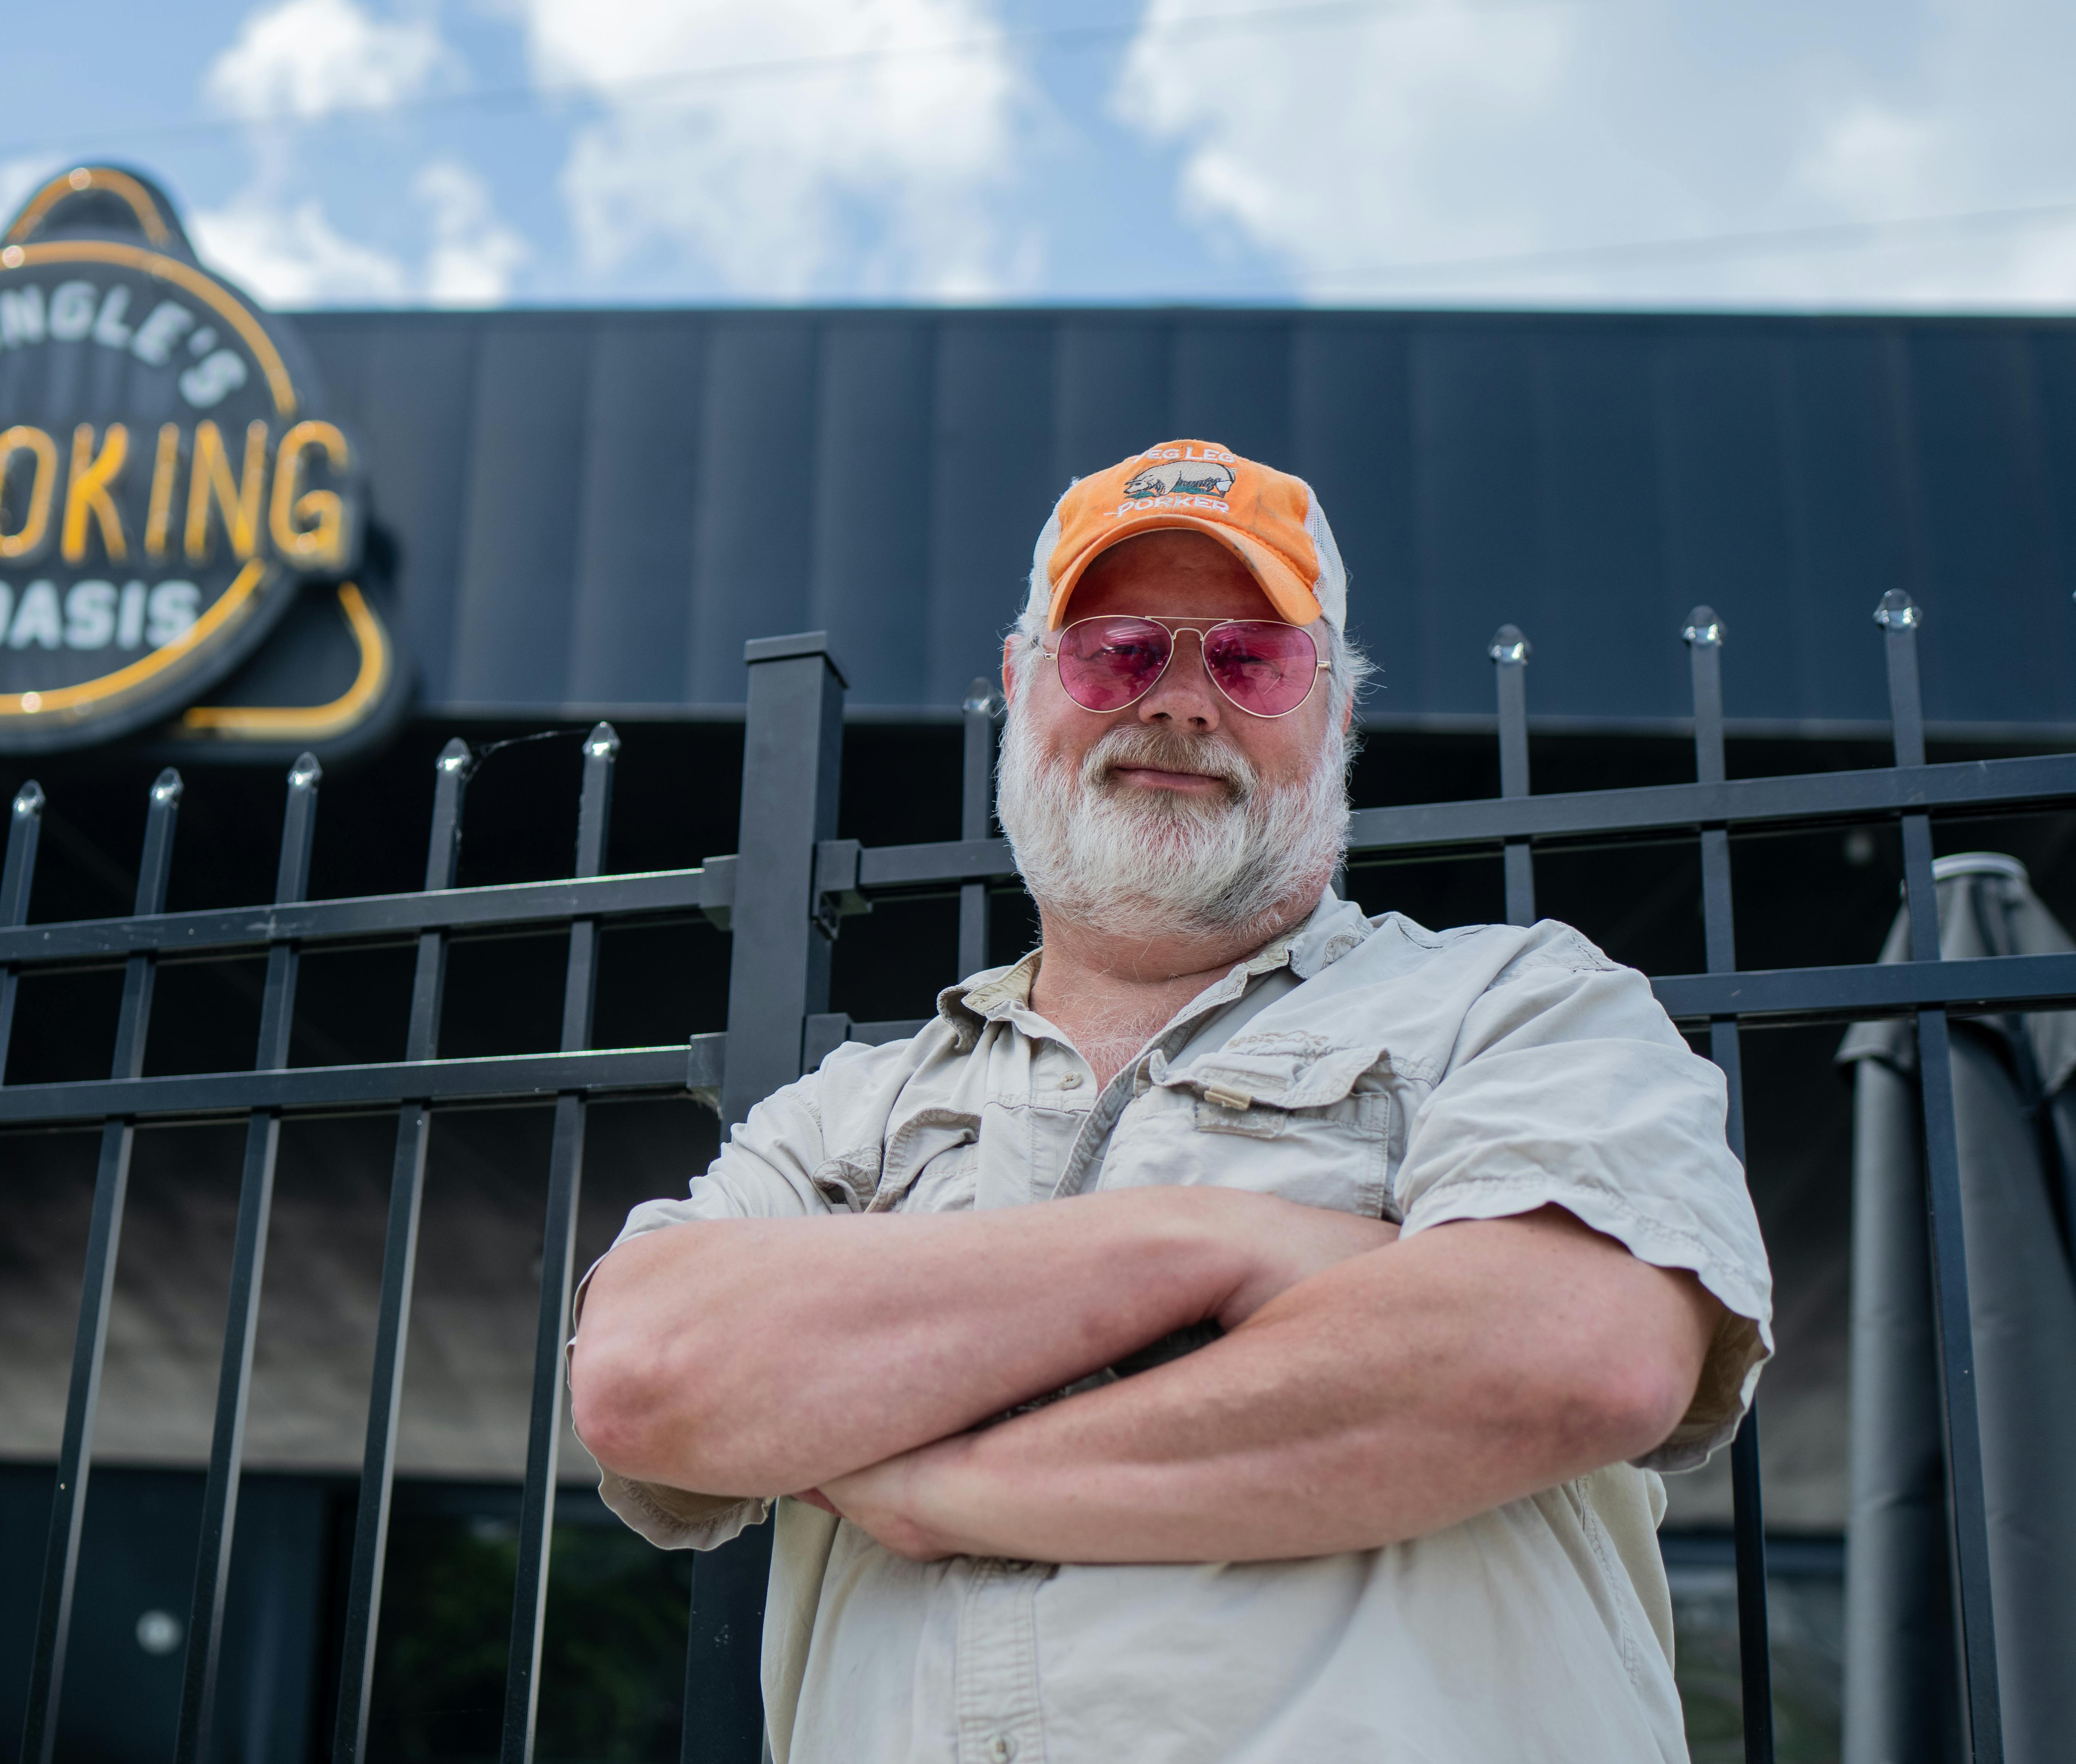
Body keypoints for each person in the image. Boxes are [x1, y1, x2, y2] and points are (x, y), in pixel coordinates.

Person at [567, 440, 1774, 1762]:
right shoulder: (849, 1113)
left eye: (1253, 660)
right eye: (1118, 652)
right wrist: (1218, 1244)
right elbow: (645, 1376)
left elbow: (1577, 1351)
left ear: (1337, 716)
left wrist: (943, 1489)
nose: (1184, 702)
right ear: (1023, 687)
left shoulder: (1521, 1006)